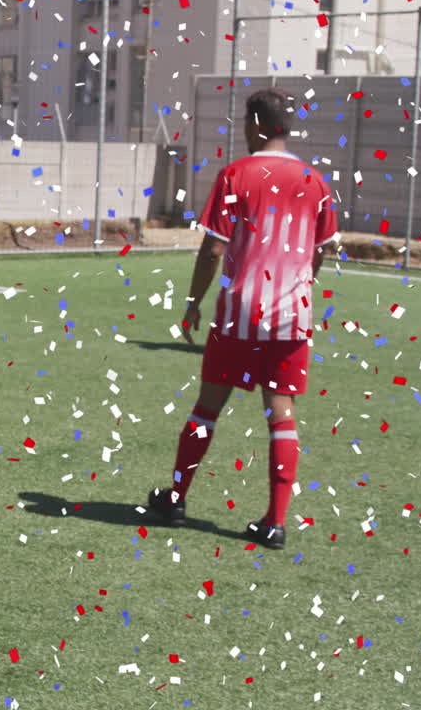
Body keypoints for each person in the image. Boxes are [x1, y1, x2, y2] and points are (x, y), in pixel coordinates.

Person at [145, 88, 339, 550]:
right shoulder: (315, 181)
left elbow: (214, 248)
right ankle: (275, 522)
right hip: (292, 315)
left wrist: (193, 302)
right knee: (282, 413)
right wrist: (300, 284)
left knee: (208, 406)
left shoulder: (235, 174)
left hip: (240, 314)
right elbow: (322, 249)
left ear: (254, 123)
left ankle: (175, 499)